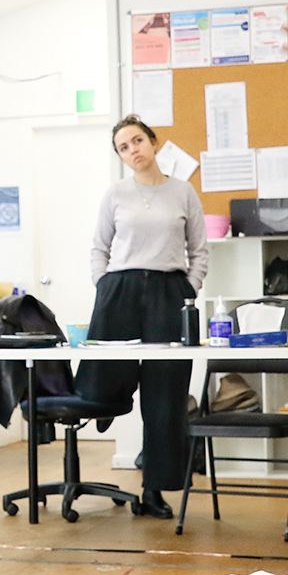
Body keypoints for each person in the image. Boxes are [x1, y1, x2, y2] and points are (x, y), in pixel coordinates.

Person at [78, 115, 208, 519]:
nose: (132, 149)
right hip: (120, 290)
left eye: (137, 141)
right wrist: (103, 285)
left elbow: (199, 250)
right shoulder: (115, 194)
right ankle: (109, 407)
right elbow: (99, 247)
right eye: (123, 147)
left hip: (169, 293)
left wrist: (188, 289)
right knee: (101, 376)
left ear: (153, 143)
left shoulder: (183, 192)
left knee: (165, 395)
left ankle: (154, 489)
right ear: (120, 156)